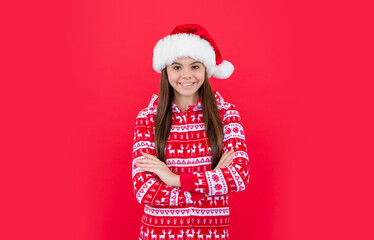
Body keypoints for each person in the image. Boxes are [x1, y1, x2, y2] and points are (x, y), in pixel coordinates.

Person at [132, 23, 250, 240]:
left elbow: (239, 176)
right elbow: (145, 190)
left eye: (195, 66)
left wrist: (173, 179)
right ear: (165, 70)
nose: (186, 75)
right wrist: (212, 186)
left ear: (206, 69)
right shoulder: (148, 118)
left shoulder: (227, 115)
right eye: (177, 67)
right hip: (158, 234)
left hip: (211, 234)